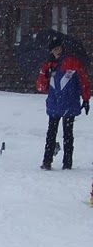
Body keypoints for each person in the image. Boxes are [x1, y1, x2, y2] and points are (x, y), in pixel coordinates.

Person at [36, 38, 90, 170]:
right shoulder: (47, 66)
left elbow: (83, 80)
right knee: (51, 134)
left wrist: (86, 98)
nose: (57, 52)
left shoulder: (72, 62)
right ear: (51, 52)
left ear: (62, 48)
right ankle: (47, 161)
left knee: (68, 134)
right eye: (54, 50)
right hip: (54, 104)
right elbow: (41, 87)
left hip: (69, 103)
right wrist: (45, 76)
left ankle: (67, 163)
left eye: (58, 48)